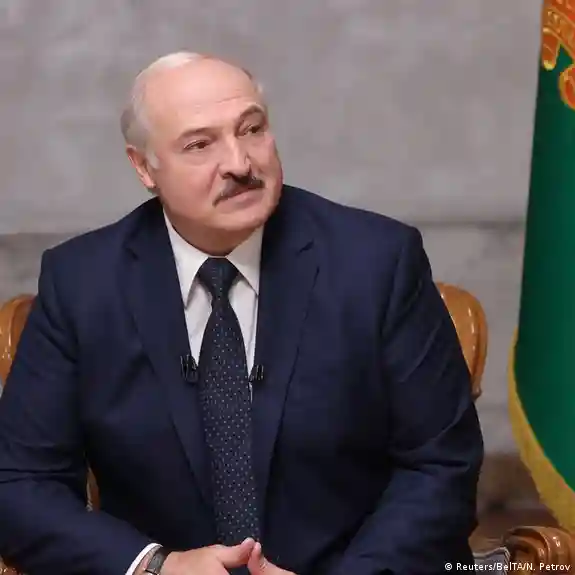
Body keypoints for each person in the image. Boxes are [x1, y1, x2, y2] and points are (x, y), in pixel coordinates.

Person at [0, 52, 484, 575]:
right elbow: (20, 484)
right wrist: (156, 567)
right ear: (143, 167)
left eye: (251, 129)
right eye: (199, 145)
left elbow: (440, 467)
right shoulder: (82, 283)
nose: (239, 163)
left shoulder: (376, 262)